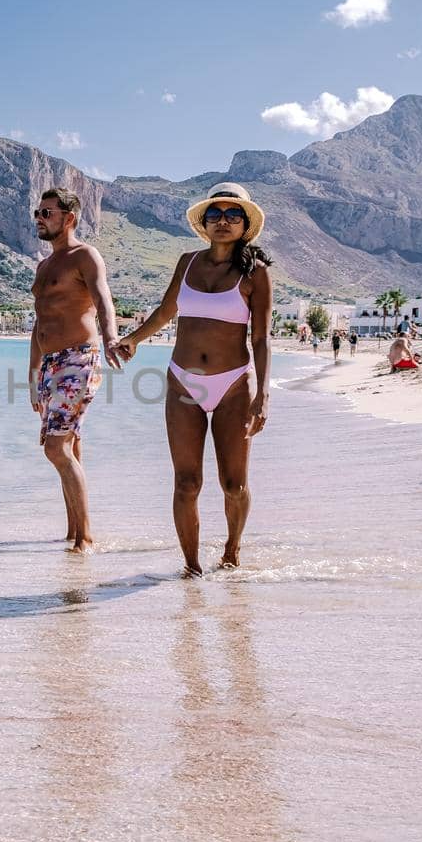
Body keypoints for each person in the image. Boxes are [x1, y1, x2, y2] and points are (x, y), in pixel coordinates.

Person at [111, 181, 271, 575]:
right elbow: (166, 313)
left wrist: (262, 395)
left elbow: (262, 338)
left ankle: (232, 548)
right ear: (204, 222)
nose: (222, 221)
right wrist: (132, 340)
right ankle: (192, 569)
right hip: (184, 382)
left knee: (233, 484)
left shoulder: (256, 274)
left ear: (245, 223)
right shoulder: (186, 262)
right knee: (186, 483)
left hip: (234, 384)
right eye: (214, 214)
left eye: (232, 214)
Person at [29, 188, 121, 552]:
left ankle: (85, 540)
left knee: (55, 448)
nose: (39, 217)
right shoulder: (43, 266)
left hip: (78, 359)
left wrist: (112, 337)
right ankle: (73, 531)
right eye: (37, 211)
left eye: (47, 212)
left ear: (69, 219)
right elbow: (39, 325)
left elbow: (102, 298)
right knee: (69, 445)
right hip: (50, 365)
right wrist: (33, 373)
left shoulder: (86, 255)